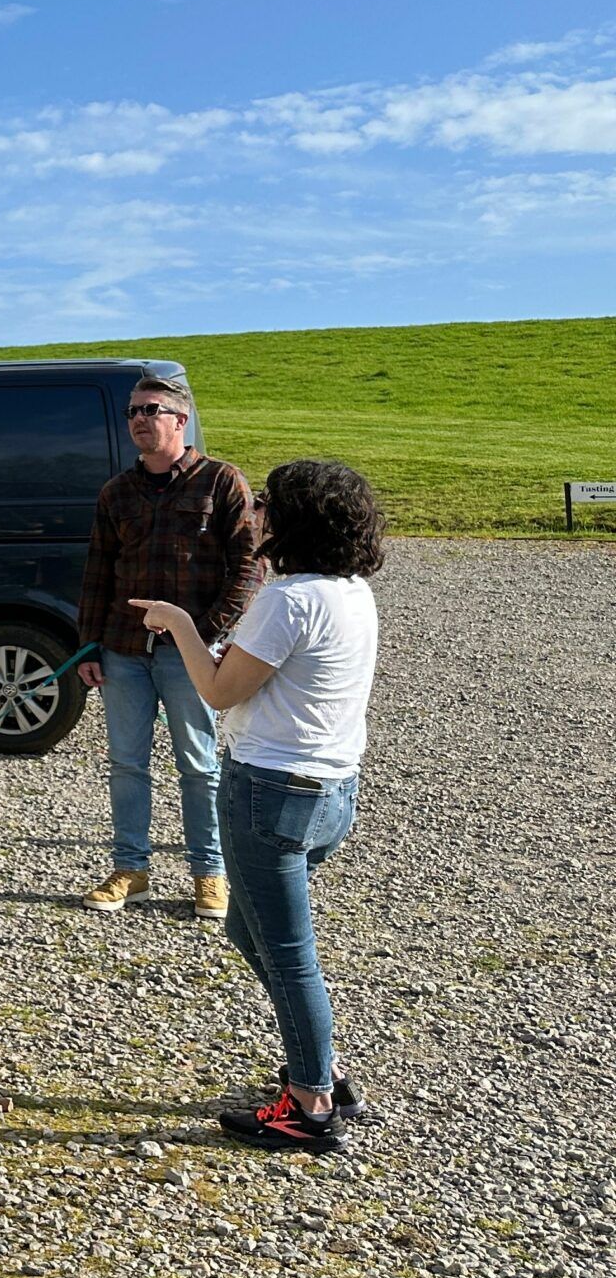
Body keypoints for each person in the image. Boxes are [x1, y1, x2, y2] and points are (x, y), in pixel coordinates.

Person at [130, 458, 385, 1153]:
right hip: (332, 791)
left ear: (292, 521)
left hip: (270, 791)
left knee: (289, 953)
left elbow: (218, 691)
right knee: (249, 932)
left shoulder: (288, 599)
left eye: (269, 504)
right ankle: (320, 1066)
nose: (258, 514)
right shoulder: (354, 591)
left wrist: (177, 622)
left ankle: (310, 1106)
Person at [74, 373, 265, 922]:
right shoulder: (116, 492)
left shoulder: (222, 482)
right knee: (127, 764)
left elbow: (249, 568)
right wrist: (88, 646)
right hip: (123, 650)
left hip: (192, 655)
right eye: (132, 411)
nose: (138, 419)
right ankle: (130, 870)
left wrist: (205, 633)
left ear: (180, 420)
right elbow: (96, 574)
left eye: (150, 409)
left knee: (199, 765)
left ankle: (210, 874)